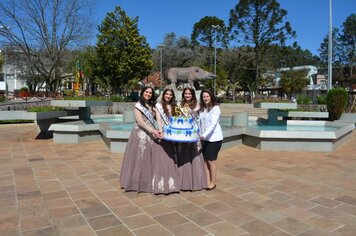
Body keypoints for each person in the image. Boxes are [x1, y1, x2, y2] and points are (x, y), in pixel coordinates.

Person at [119, 84, 162, 193]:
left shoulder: (153, 106)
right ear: (142, 93)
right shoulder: (138, 105)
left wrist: (159, 130)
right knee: (139, 158)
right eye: (146, 92)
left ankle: (148, 182)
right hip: (140, 134)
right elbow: (140, 122)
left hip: (151, 135)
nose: (148, 94)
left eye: (150, 93)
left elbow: (158, 119)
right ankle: (135, 182)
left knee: (148, 158)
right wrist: (152, 130)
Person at [176, 86, 208, 191]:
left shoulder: (197, 106)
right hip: (183, 134)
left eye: (189, 94)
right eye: (186, 93)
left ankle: (196, 182)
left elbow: (201, 120)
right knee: (183, 155)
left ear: (193, 95)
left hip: (194, 134)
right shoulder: (179, 105)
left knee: (195, 156)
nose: (187, 95)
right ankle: (183, 182)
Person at [152, 87, 180, 194]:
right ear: (163, 95)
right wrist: (160, 132)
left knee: (171, 156)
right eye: (166, 94)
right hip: (163, 133)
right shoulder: (159, 106)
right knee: (162, 156)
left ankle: (171, 179)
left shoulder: (174, 106)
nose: (168, 96)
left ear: (172, 96)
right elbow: (159, 120)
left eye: (170, 95)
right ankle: (161, 181)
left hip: (172, 134)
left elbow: (177, 120)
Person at [198, 89, 223, 190]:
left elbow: (213, 124)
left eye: (207, 96)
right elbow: (200, 123)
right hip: (204, 139)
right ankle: (207, 181)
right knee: (204, 161)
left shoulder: (216, 109)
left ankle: (213, 182)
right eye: (204, 97)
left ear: (211, 97)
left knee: (211, 161)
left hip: (214, 139)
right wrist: (199, 134)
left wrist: (204, 135)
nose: (205, 98)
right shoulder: (203, 109)